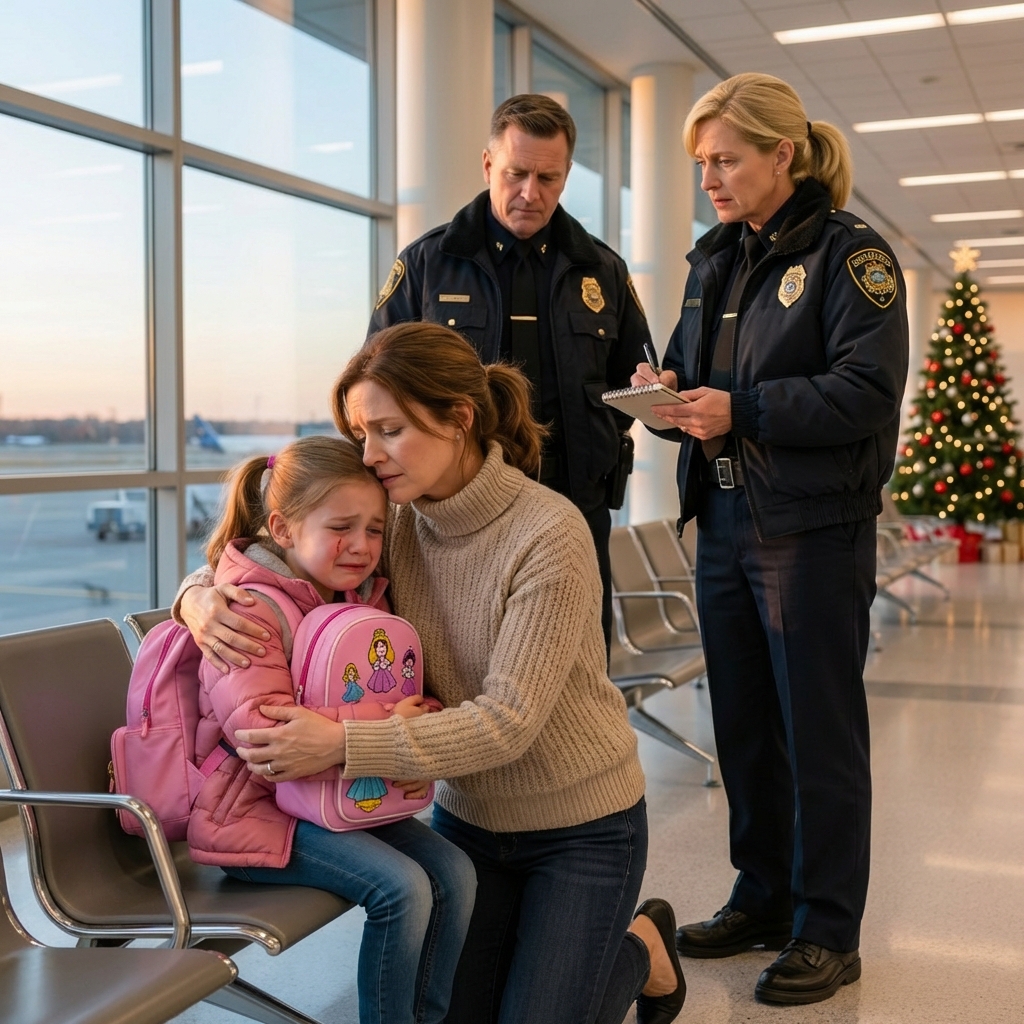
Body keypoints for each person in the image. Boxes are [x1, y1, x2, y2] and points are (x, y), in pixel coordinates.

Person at [175, 323, 686, 1024]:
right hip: (468, 822)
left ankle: (642, 946)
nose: (370, 455)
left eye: (388, 430)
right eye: (360, 434)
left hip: (582, 827)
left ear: (459, 418)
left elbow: (506, 723)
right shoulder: (393, 526)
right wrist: (197, 597)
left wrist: (341, 743)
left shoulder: (548, 532)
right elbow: (274, 556)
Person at [631, 73, 908, 1005]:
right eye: (700, 161)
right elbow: (695, 382)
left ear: (781, 154)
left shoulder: (849, 257)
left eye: (725, 158)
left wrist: (739, 407)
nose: (708, 176)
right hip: (726, 521)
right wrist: (665, 399)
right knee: (745, 726)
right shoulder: (715, 258)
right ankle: (764, 894)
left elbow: (866, 392)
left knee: (818, 733)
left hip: (810, 529)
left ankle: (829, 926)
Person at [184, 435, 477, 1024]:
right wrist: (384, 727)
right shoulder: (245, 610)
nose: (363, 546)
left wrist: (419, 718)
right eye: (342, 527)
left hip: (335, 796)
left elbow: (395, 693)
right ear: (284, 530)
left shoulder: (360, 597)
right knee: (403, 889)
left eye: (375, 529)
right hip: (254, 812)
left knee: (456, 872)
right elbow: (262, 739)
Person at [368, 93, 652, 646]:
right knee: (467, 664)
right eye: (516, 173)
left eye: (549, 178)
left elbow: (635, 385)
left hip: (575, 506)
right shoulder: (427, 264)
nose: (531, 193)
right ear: (487, 165)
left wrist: (645, 402)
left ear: (567, 175)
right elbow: (377, 386)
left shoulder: (604, 270)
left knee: (578, 663)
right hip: (459, 513)